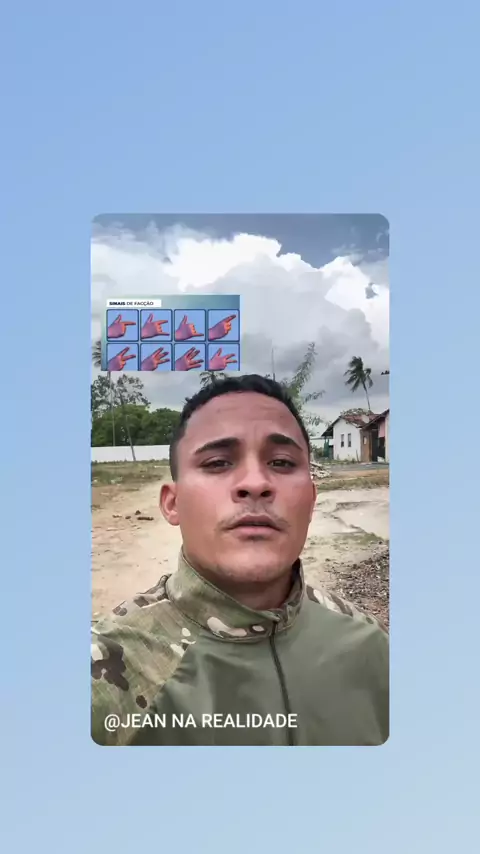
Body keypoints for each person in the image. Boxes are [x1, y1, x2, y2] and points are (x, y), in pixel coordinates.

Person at [91, 375, 389, 746]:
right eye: (218, 463)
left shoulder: (371, 647)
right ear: (172, 503)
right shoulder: (104, 675)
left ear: (312, 501)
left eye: (281, 462)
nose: (256, 482)